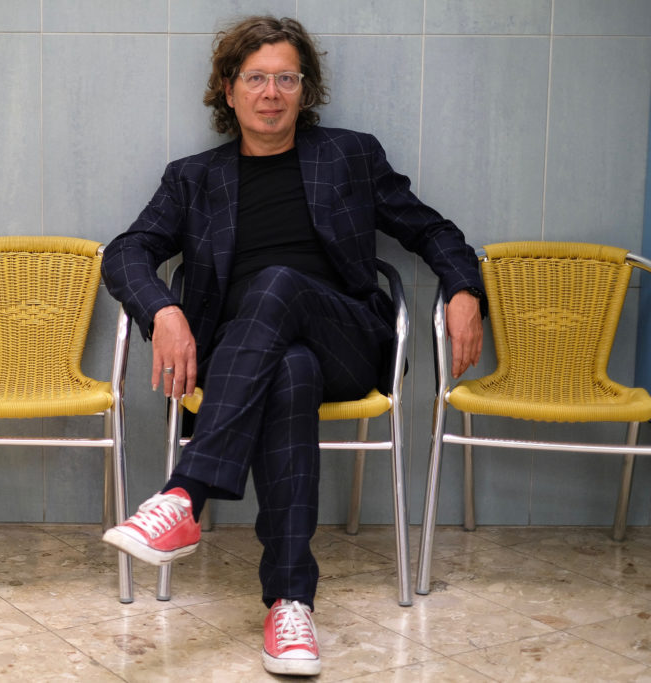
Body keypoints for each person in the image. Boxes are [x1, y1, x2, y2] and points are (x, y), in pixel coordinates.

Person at [100, 15, 484, 677]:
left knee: (279, 284)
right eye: (256, 79)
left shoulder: (350, 156)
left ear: (305, 90)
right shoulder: (193, 178)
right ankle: (290, 604)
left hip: (348, 339)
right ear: (229, 90)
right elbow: (126, 252)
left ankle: (186, 494)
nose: (271, 93)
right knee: (290, 370)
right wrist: (163, 310)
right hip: (247, 360)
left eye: (286, 79)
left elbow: (431, 230)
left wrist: (464, 289)